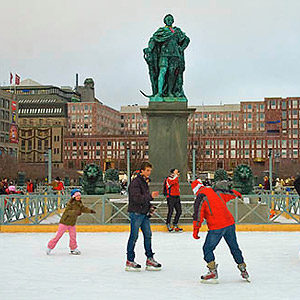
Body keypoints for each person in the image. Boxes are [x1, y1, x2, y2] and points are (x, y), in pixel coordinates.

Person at [191, 178, 249, 283]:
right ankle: (243, 268)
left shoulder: (201, 197)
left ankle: (212, 271)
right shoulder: (215, 191)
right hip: (229, 223)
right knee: (234, 247)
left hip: (216, 226)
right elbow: (229, 193)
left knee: (207, 249)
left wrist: (196, 230)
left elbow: (198, 215)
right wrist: (237, 194)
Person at [125, 162, 162, 272]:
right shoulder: (135, 183)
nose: (149, 173)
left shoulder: (144, 182)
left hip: (143, 212)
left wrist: (150, 207)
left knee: (148, 235)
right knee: (134, 236)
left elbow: (143, 198)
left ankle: (149, 258)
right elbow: (136, 198)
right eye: (147, 170)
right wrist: (150, 196)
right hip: (136, 213)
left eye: (150, 171)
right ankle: (130, 260)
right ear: (141, 171)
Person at [46, 189, 96, 255]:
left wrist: (90, 211)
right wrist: (76, 212)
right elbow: (67, 212)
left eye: (79, 196)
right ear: (73, 197)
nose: (78, 197)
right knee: (58, 235)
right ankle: (49, 247)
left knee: (73, 236)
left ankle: (73, 248)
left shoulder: (79, 203)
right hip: (65, 222)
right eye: (77, 196)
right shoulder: (70, 203)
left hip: (72, 223)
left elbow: (84, 209)